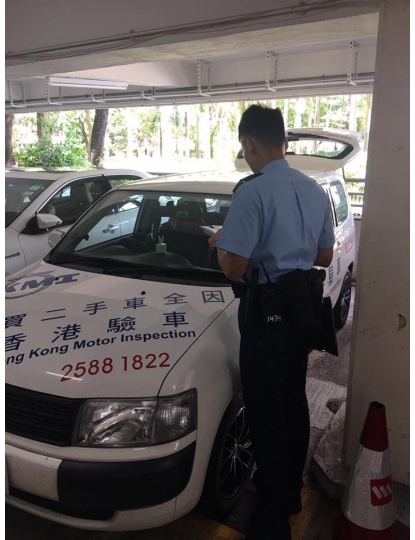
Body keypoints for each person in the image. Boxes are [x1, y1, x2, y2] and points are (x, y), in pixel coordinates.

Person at [209, 105, 334, 540]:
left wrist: (220, 242)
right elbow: (325, 256)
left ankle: (273, 517)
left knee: (265, 414)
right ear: (284, 142)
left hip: (266, 316)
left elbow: (234, 268)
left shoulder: (253, 192)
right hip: (302, 313)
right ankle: (291, 492)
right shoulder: (314, 190)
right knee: (293, 402)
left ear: (249, 144)